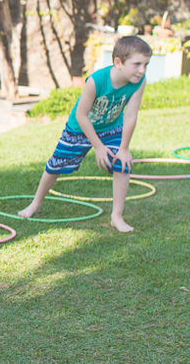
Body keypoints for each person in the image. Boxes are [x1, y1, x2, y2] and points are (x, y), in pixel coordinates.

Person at [18, 35, 151, 233]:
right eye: (137, 64)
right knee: (56, 165)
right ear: (118, 62)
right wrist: (97, 146)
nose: (142, 70)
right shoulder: (97, 81)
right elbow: (81, 115)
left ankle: (117, 216)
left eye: (146, 64)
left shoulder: (138, 82)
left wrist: (123, 149)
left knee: (122, 164)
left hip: (110, 127)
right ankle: (35, 204)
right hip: (80, 128)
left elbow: (131, 115)